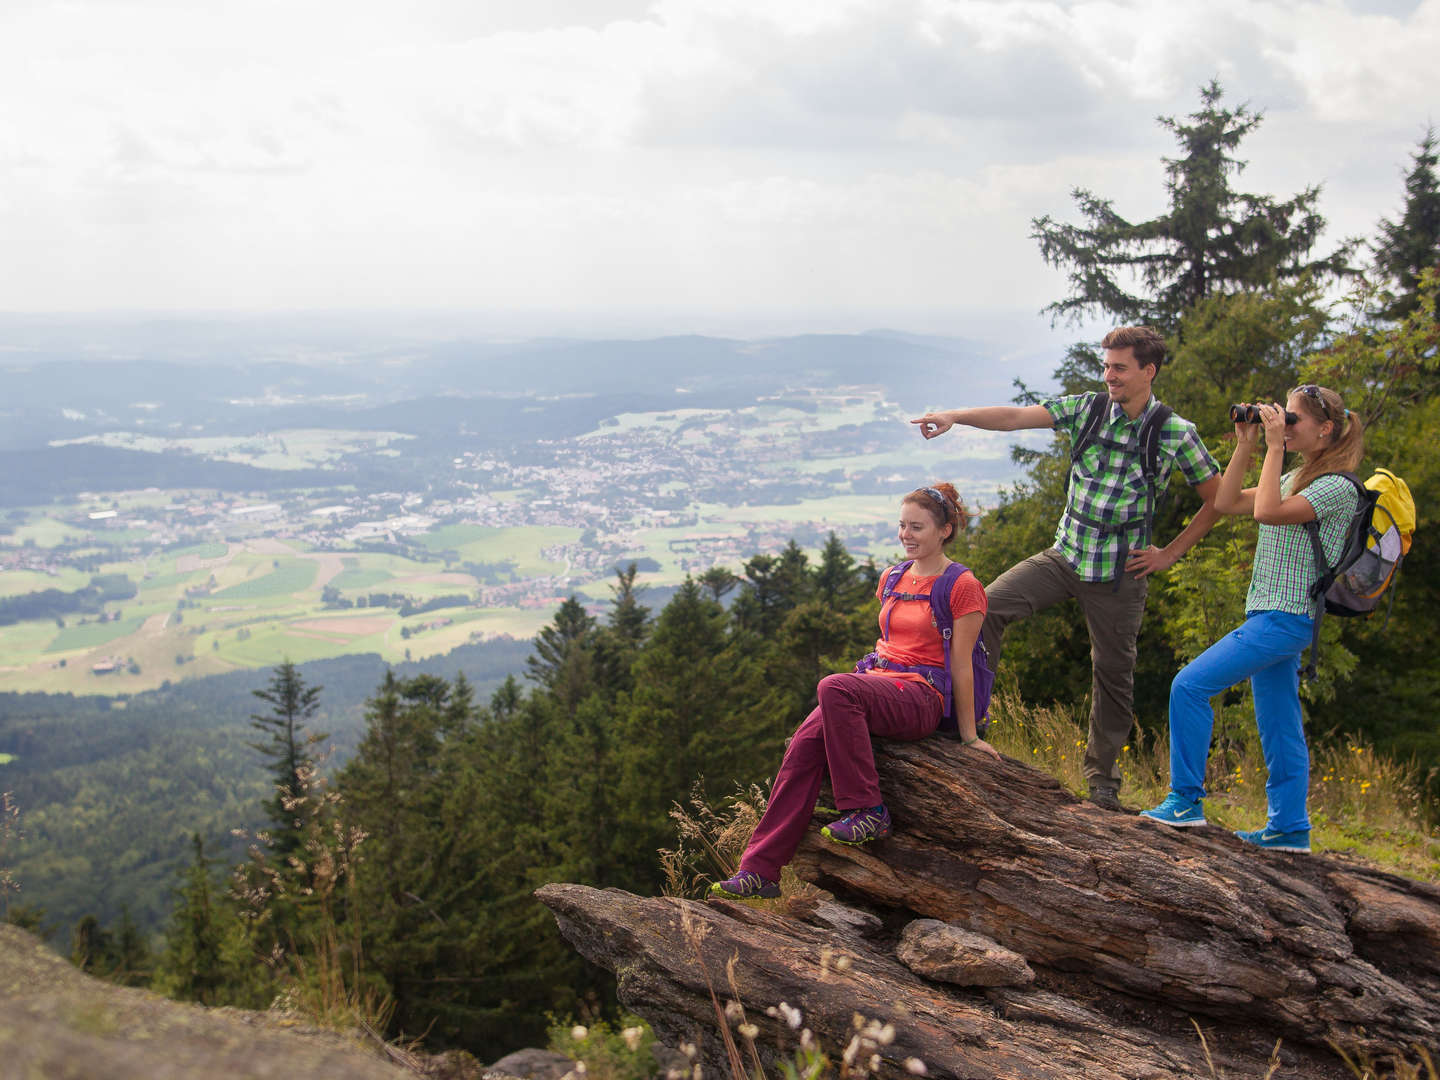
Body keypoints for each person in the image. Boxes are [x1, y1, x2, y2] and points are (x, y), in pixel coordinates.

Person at [911, 326, 1221, 810]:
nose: (1109, 375)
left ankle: (1102, 783)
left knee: (1114, 674)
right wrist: (955, 416)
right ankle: (970, 730)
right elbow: (1014, 417)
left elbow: (1217, 499)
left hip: (1121, 574)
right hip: (1065, 555)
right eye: (1106, 366)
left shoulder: (1175, 433)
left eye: (1119, 367)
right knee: (984, 609)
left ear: (1148, 371)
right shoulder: (1087, 409)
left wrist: (1171, 553)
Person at [711, 483, 998, 900]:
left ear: (945, 531)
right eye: (902, 525)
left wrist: (970, 737)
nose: (906, 535)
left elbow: (961, 665)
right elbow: (891, 642)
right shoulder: (893, 576)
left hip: (923, 696)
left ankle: (868, 810)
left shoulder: (963, 585)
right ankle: (760, 870)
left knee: (834, 687)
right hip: (880, 684)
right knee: (802, 747)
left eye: (917, 527)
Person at [1140, 386, 1364, 852]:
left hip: (1286, 617)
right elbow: (1224, 503)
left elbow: (1265, 512)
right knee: (1280, 723)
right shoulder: (1299, 475)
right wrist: (1246, 444)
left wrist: (1275, 446)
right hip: (1270, 612)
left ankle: (1184, 801)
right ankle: (1289, 828)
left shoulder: (1337, 487)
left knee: (1189, 686)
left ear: (1325, 430)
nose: (1285, 424)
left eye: (1293, 419)